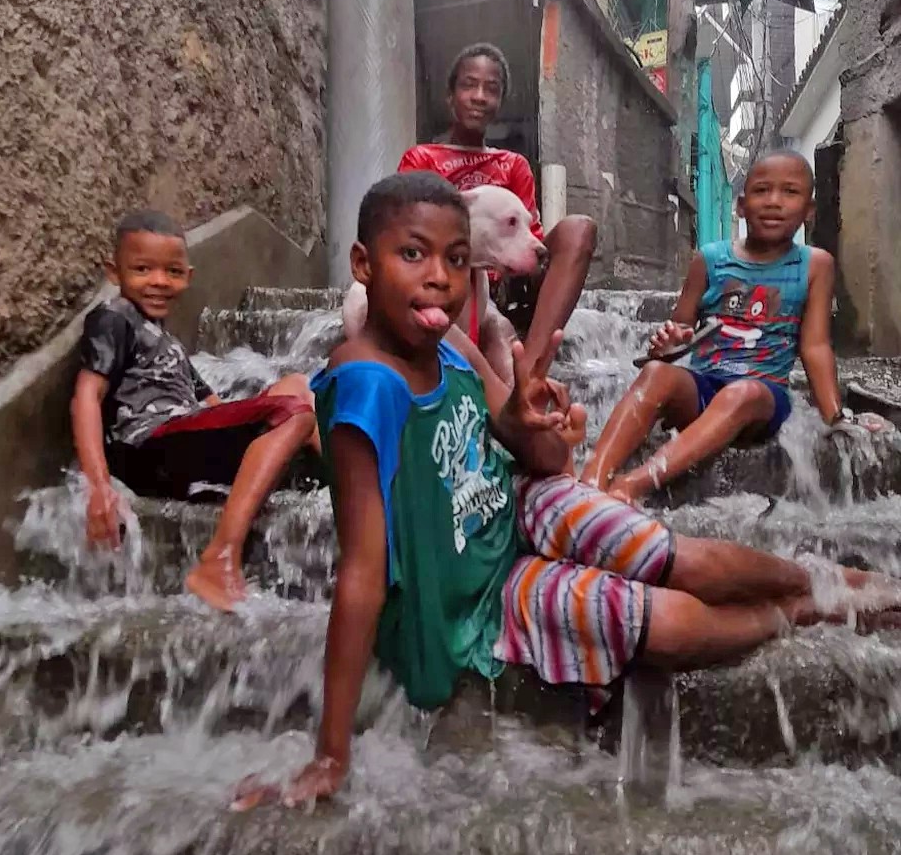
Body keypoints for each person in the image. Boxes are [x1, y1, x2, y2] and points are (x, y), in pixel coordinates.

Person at [231, 172, 901, 809]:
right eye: (413, 254)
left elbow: (533, 448)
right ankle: (797, 611)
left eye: (457, 260)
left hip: (520, 505)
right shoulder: (365, 386)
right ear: (362, 264)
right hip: (480, 595)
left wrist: (540, 423)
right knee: (661, 624)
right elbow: (362, 570)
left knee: (670, 553)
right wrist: (331, 754)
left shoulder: (453, 347)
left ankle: (832, 584)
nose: (439, 278)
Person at [581, 151, 874, 503]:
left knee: (743, 393)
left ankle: (634, 484)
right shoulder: (710, 259)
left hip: (762, 399)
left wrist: (835, 416)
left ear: (809, 211)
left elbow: (814, 347)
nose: (774, 202)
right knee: (657, 374)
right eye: (762, 191)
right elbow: (677, 334)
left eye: (790, 192)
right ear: (740, 205)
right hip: (704, 388)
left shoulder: (815, 265)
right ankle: (590, 481)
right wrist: (664, 347)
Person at [70, 210, 318, 611]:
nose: (158, 281)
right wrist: (98, 485)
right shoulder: (114, 318)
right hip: (147, 449)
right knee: (293, 413)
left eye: (171, 271)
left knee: (297, 387)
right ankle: (219, 556)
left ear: (188, 275)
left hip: (183, 440)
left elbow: (214, 409)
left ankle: (350, 495)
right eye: (142, 269)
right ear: (114, 272)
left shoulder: (168, 343)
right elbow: (86, 396)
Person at [399, 42, 596, 376]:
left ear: (500, 102)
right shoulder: (423, 159)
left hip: (507, 286)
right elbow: (406, 239)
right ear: (450, 97)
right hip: (446, 287)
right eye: (468, 85)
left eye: (491, 89)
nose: (479, 96)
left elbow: (530, 241)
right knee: (496, 332)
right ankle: (513, 396)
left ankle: (532, 369)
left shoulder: (513, 165)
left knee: (580, 228)